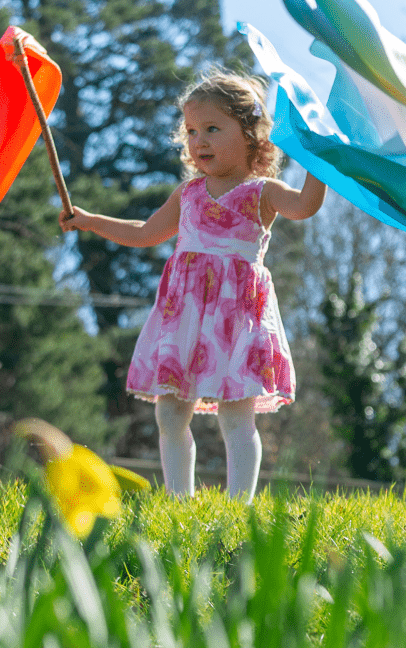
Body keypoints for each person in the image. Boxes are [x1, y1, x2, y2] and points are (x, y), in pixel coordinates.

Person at [59, 68, 326, 502]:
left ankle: (239, 504)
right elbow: (144, 231)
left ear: (250, 134)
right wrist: (90, 220)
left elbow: (305, 206)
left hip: (235, 319)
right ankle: (179, 502)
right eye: (191, 131)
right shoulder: (190, 195)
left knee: (236, 416)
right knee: (170, 412)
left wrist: (321, 161)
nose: (198, 140)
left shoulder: (263, 192)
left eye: (212, 129)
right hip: (183, 317)